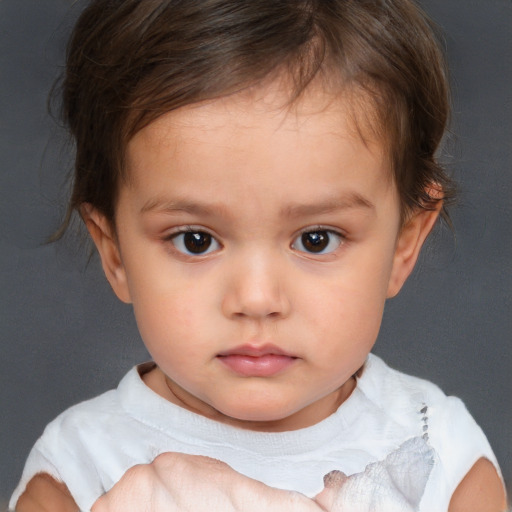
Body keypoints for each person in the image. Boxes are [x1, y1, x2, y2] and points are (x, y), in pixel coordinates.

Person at [9, 0, 507, 511]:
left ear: (404, 242)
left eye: (316, 239)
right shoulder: (76, 473)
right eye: (195, 240)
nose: (256, 299)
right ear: (114, 251)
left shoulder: (440, 454)